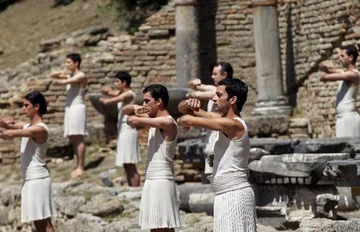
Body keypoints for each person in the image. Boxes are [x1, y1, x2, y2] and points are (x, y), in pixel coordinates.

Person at [178, 78, 257, 231]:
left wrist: (184, 120)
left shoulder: (233, 125)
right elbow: (183, 110)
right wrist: (188, 104)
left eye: (218, 95)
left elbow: (187, 119)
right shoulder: (223, 119)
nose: (214, 98)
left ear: (232, 99)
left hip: (235, 195)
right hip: (224, 195)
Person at [122, 84, 181, 232]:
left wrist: (137, 115)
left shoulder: (168, 122)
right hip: (152, 178)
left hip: (161, 180)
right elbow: (126, 110)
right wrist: (142, 109)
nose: (144, 104)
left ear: (159, 102)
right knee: (159, 228)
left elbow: (134, 120)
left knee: (160, 228)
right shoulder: (152, 118)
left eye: (147, 101)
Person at [0, 91, 57, 232]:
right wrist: (2, 122)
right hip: (29, 178)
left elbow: (9, 133)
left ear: (36, 106)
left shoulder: (40, 129)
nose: (23, 109)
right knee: (38, 222)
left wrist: (6, 128)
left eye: (26, 105)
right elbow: (8, 127)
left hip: (38, 178)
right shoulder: (28, 126)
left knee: (45, 223)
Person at [187, 62, 234, 180]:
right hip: (212, 136)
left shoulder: (224, 91)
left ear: (224, 75)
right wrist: (193, 83)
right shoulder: (215, 89)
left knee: (218, 175)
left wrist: (192, 93)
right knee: (212, 175)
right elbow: (196, 87)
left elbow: (197, 93)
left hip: (219, 134)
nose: (212, 77)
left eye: (215, 74)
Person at [100, 71, 141, 187]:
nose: (115, 83)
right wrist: (106, 91)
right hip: (123, 130)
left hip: (128, 131)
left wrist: (105, 100)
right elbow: (113, 93)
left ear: (124, 82)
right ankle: (131, 186)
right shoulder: (122, 92)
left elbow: (114, 99)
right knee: (126, 163)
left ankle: (135, 188)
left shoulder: (128, 94)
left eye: (117, 81)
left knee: (131, 163)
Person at [51, 53, 87, 178]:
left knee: (78, 138)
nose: (66, 65)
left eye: (68, 62)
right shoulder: (70, 74)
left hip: (77, 108)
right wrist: (58, 74)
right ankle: (78, 165)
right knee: (73, 138)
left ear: (76, 63)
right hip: (70, 108)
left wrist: (58, 79)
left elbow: (66, 81)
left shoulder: (81, 75)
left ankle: (81, 167)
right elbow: (54, 75)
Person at [320, 46, 360, 137]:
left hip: (349, 118)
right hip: (342, 117)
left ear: (350, 58)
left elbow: (324, 77)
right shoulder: (343, 72)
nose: (340, 58)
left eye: (342, 56)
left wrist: (326, 70)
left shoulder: (354, 75)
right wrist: (323, 65)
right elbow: (323, 71)